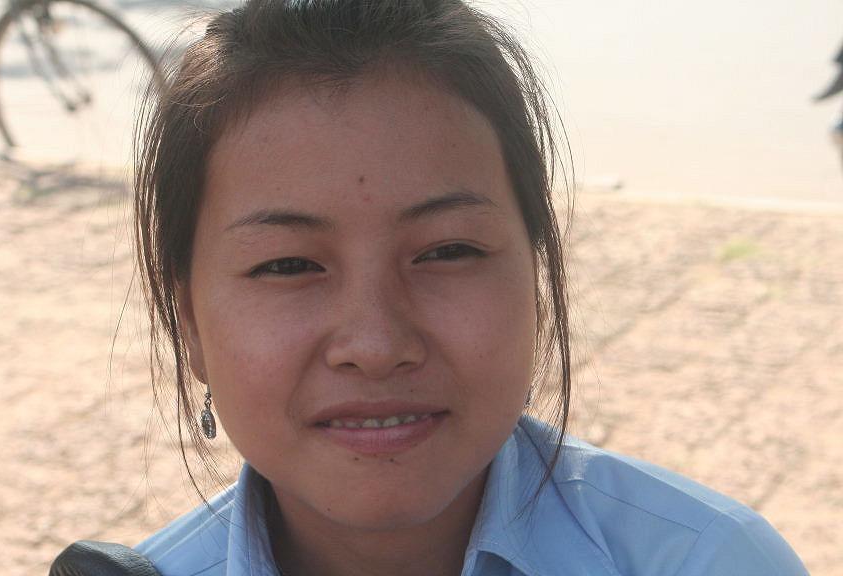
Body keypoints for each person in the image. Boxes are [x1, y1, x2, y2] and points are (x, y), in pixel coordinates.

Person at [127, 1, 809, 574]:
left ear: (535, 279)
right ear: (188, 321)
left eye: (448, 251)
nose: (376, 345)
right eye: (287, 265)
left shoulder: (712, 560)